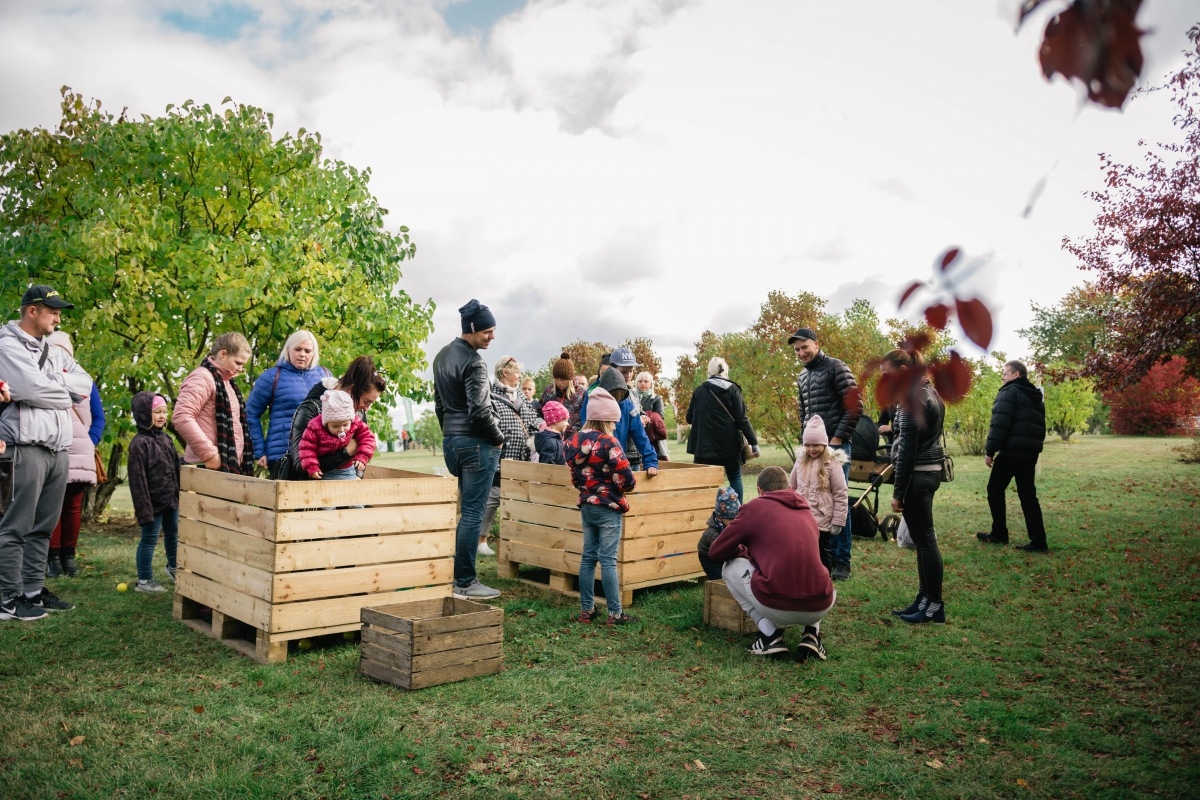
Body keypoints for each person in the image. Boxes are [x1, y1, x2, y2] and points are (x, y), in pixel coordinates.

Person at [0, 285, 91, 621]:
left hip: (57, 448)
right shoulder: (7, 344)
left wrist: (50, 389)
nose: (58, 316)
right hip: (24, 447)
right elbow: (28, 388)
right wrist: (62, 392)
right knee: (15, 526)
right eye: (52, 310)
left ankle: (32, 592)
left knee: (43, 526)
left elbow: (85, 384)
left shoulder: (55, 350)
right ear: (32, 311)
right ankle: (8, 599)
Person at [708, 466, 836, 662]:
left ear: (760, 490)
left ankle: (770, 636)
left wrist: (745, 552)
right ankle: (811, 634)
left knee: (729, 567)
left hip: (777, 604)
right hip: (821, 604)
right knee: (811, 569)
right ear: (789, 487)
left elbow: (716, 552)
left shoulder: (753, 508)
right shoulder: (807, 511)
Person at [433, 300, 505, 600]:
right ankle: (465, 581)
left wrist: (450, 434)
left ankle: (459, 576)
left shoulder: (441, 356)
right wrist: (498, 438)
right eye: (487, 331)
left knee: (466, 512)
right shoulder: (475, 362)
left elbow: (439, 405)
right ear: (472, 329)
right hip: (476, 443)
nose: (491, 337)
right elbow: (479, 411)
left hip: (452, 441)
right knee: (473, 513)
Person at [789, 326, 862, 581]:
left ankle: (843, 560)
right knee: (809, 499)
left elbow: (855, 406)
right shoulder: (802, 377)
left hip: (835, 448)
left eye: (804, 347)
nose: (801, 352)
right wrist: (805, 443)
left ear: (816, 344)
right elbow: (804, 415)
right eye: (797, 349)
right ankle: (820, 555)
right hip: (811, 451)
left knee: (837, 500)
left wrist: (837, 439)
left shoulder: (836, 367)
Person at [882, 349, 948, 624]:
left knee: (926, 541)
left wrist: (898, 493)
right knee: (923, 542)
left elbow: (907, 450)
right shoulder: (930, 392)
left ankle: (933, 605)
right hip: (929, 472)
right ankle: (924, 598)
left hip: (917, 475)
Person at [566, 388, 638, 626]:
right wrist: (619, 486)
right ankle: (615, 613)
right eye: (614, 422)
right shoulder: (609, 442)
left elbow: (575, 477)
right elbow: (626, 479)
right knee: (607, 560)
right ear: (606, 420)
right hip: (609, 507)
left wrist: (588, 487)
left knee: (588, 558)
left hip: (587, 504)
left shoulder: (574, 440)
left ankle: (587, 609)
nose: (616, 427)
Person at [45, 331, 105, 578]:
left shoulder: (83, 382)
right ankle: (56, 557)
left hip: (75, 452)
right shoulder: (46, 379)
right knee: (58, 506)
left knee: (68, 506)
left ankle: (65, 557)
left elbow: (99, 418)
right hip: (55, 449)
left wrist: (88, 443)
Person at [977, 360, 1048, 552]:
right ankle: (1039, 541)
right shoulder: (1036, 396)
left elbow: (1000, 424)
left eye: (1005, 373)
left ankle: (999, 533)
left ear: (1016, 374)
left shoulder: (1009, 392)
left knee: (994, 489)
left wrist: (990, 451)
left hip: (1011, 452)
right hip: (1030, 453)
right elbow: (1041, 427)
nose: (1002, 377)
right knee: (1028, 496)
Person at [245, 330, 330, 478]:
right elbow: (250, 414)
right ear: (288, 350)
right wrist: (260, 451)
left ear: (314, 353)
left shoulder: (325, 375)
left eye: (307, 350)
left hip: (319, 454)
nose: (302, 354)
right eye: (298, 349)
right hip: (283, 455)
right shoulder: (272, 377)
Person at [286, 356, 387, 479]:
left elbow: (363, 451)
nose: (367, 408)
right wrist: (346, 452)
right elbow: (301, 466)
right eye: (366, 401)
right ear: (351, 389)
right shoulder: (311, 409)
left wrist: (358, 476)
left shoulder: (358, 414)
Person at [479, 355, 539, 556]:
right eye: (517, 372)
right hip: (499, 457)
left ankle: (511, 539)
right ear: (505, 372)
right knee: (492, 499)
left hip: (520, 459)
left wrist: (542, 425)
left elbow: (531, 418)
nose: (520, 376)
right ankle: (481, 540)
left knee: (515, 499)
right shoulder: (491, 394)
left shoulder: (520, 396)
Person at [174, 332, 253, 474]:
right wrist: (208, 453)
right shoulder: (202, 377)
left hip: (224, 464)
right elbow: (181, 416)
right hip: (206, 464)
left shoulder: (227, 383)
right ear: (223, 354)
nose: (240, 369)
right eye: (238, 363)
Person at [127, 392, 181, 593]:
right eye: (157, 412)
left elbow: (175, 467)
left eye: (164, 412)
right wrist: (144, 509)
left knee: (173, 533)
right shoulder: (139, 444)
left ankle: (174, 567)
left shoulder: (166, 439)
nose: (161, 416)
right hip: (151, 503)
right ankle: (144, 580)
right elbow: (137, 480)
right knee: (150, 538)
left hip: (170, 499)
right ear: (143, 414)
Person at [686, 357, 758, 501]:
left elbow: (689, 418)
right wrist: (753, 443)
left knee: (704, 482)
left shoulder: (699, 391)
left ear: (709, 371)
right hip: (728, 444)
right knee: (734, 477)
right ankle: (737, 514)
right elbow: (741, 419)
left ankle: (705, 514)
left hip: (703, 446)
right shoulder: (733, 389)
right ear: (726, 371)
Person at [788, 415, 849, 576]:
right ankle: (804, 578)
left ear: (824, 444)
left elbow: (841, 493)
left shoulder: (832, 463)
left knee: (822, 552)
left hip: (821, 518)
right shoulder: (800, 461)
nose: (811, 449)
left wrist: (838, 520)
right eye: (808, 445)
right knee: (801, 550)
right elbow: (791, 486)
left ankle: (823, 582)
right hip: (801, 516)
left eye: (816, 445)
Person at [586, 365, 660, 476]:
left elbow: (640, 435)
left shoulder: (627, 405)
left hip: (618, 459)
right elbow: (585, 428)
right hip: (595, 463)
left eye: (620, 396)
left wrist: (650, 462)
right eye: (614, 396)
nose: (616, 400)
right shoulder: (592, 404)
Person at [298, 390, 377, 481]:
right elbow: (307, 448)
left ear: (351, 420)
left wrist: (362, 456)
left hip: (346, 471)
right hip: (323, 472)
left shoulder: (356, 422)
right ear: (326, 423)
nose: (341, 430)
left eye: (345, 425)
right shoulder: (315, 427)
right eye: (335, 426)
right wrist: (311, 467)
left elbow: (368, 438)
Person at [697, 487, 742, 580]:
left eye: (736, 519)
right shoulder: (713, 533)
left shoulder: (732, 525)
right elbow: (722, 551)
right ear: (720, 517)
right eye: (730, 520)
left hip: (723, 555)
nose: (733, 522)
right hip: (708, 558)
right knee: (719, 580)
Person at [537, 352, 584, 436]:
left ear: (570, 379)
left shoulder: (581, 393)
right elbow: (539, 413)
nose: (559, 382)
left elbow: (584, 418)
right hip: (550, 438)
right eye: (557, 379)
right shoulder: (549, 391)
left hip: (573, 439)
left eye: (563, 379)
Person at [634, 371, 669, 461]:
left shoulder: (656, 398)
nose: (643, 383)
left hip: (652, 437)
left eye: (646, 381)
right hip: (635, 433)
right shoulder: (632, 397)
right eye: (640, 381)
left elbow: (660, 417)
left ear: (651, 384)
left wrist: (644, 416)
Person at [535, 400, 570, 466]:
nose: (567, 424)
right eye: (565, 420)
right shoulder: (550, 443)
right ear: (556, 421)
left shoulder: (556, 439)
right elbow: (548, 468)